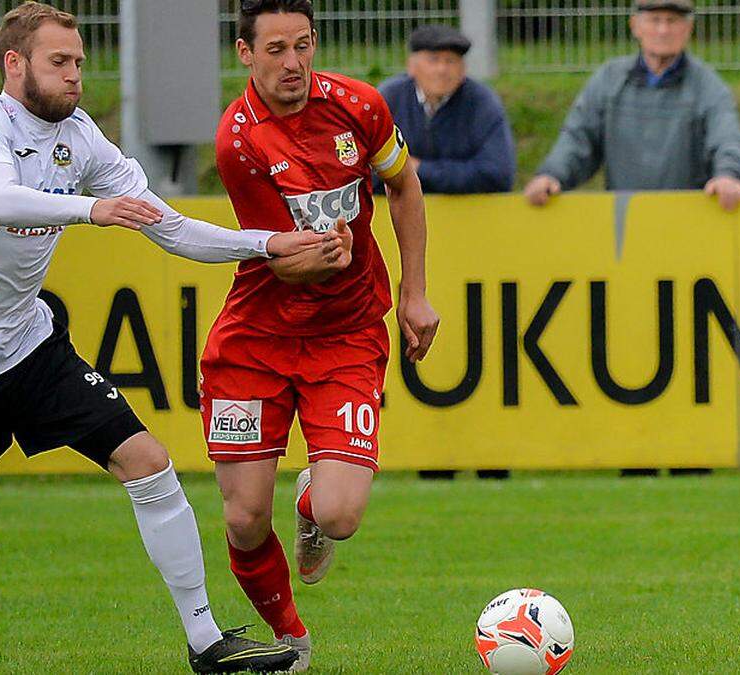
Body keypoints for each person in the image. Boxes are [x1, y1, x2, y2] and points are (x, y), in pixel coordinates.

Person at [0, 3, 341, 671]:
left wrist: (266, 242)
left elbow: (168, 224)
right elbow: (2, 200)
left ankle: (206, 639)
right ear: (15, 64)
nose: (76, 76)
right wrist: (92, 208)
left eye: (79, 61)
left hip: (30, 349)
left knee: (149, 461)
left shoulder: (80, 136)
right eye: (59, 62)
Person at [200, 1, 440, 670]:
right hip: (256, 338)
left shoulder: (359, 106)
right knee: (245, 518)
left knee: (339, 515)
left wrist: (414, 294)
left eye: (303, 45)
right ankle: (292, 640)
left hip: (346, 332)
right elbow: (276, 256)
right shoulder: (238, 140)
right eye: (275, 49)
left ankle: (309, 499)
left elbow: (403, 184)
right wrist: (316, 257)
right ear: (246, 54)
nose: (293, 63)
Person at [524, 0, 740, 212]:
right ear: (635, 26)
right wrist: (552, 175)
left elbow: (727, 135)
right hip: (625, 222)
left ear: (688, 29)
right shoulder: (608, 80)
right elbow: (577, 137)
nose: (663, 30)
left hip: (690, 221)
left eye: (672, 21)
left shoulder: (707, 85)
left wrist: (729, 174)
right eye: (655, 20)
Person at [376, 24, 515, 194]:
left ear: (463, 69)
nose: (442, 69)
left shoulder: (482, 102)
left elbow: (497, 174)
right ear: (411, 66)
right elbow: (366, 169)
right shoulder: (388, 98)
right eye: (433, 60)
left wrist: (417, 169)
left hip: (467, 214)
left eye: (450, 61)